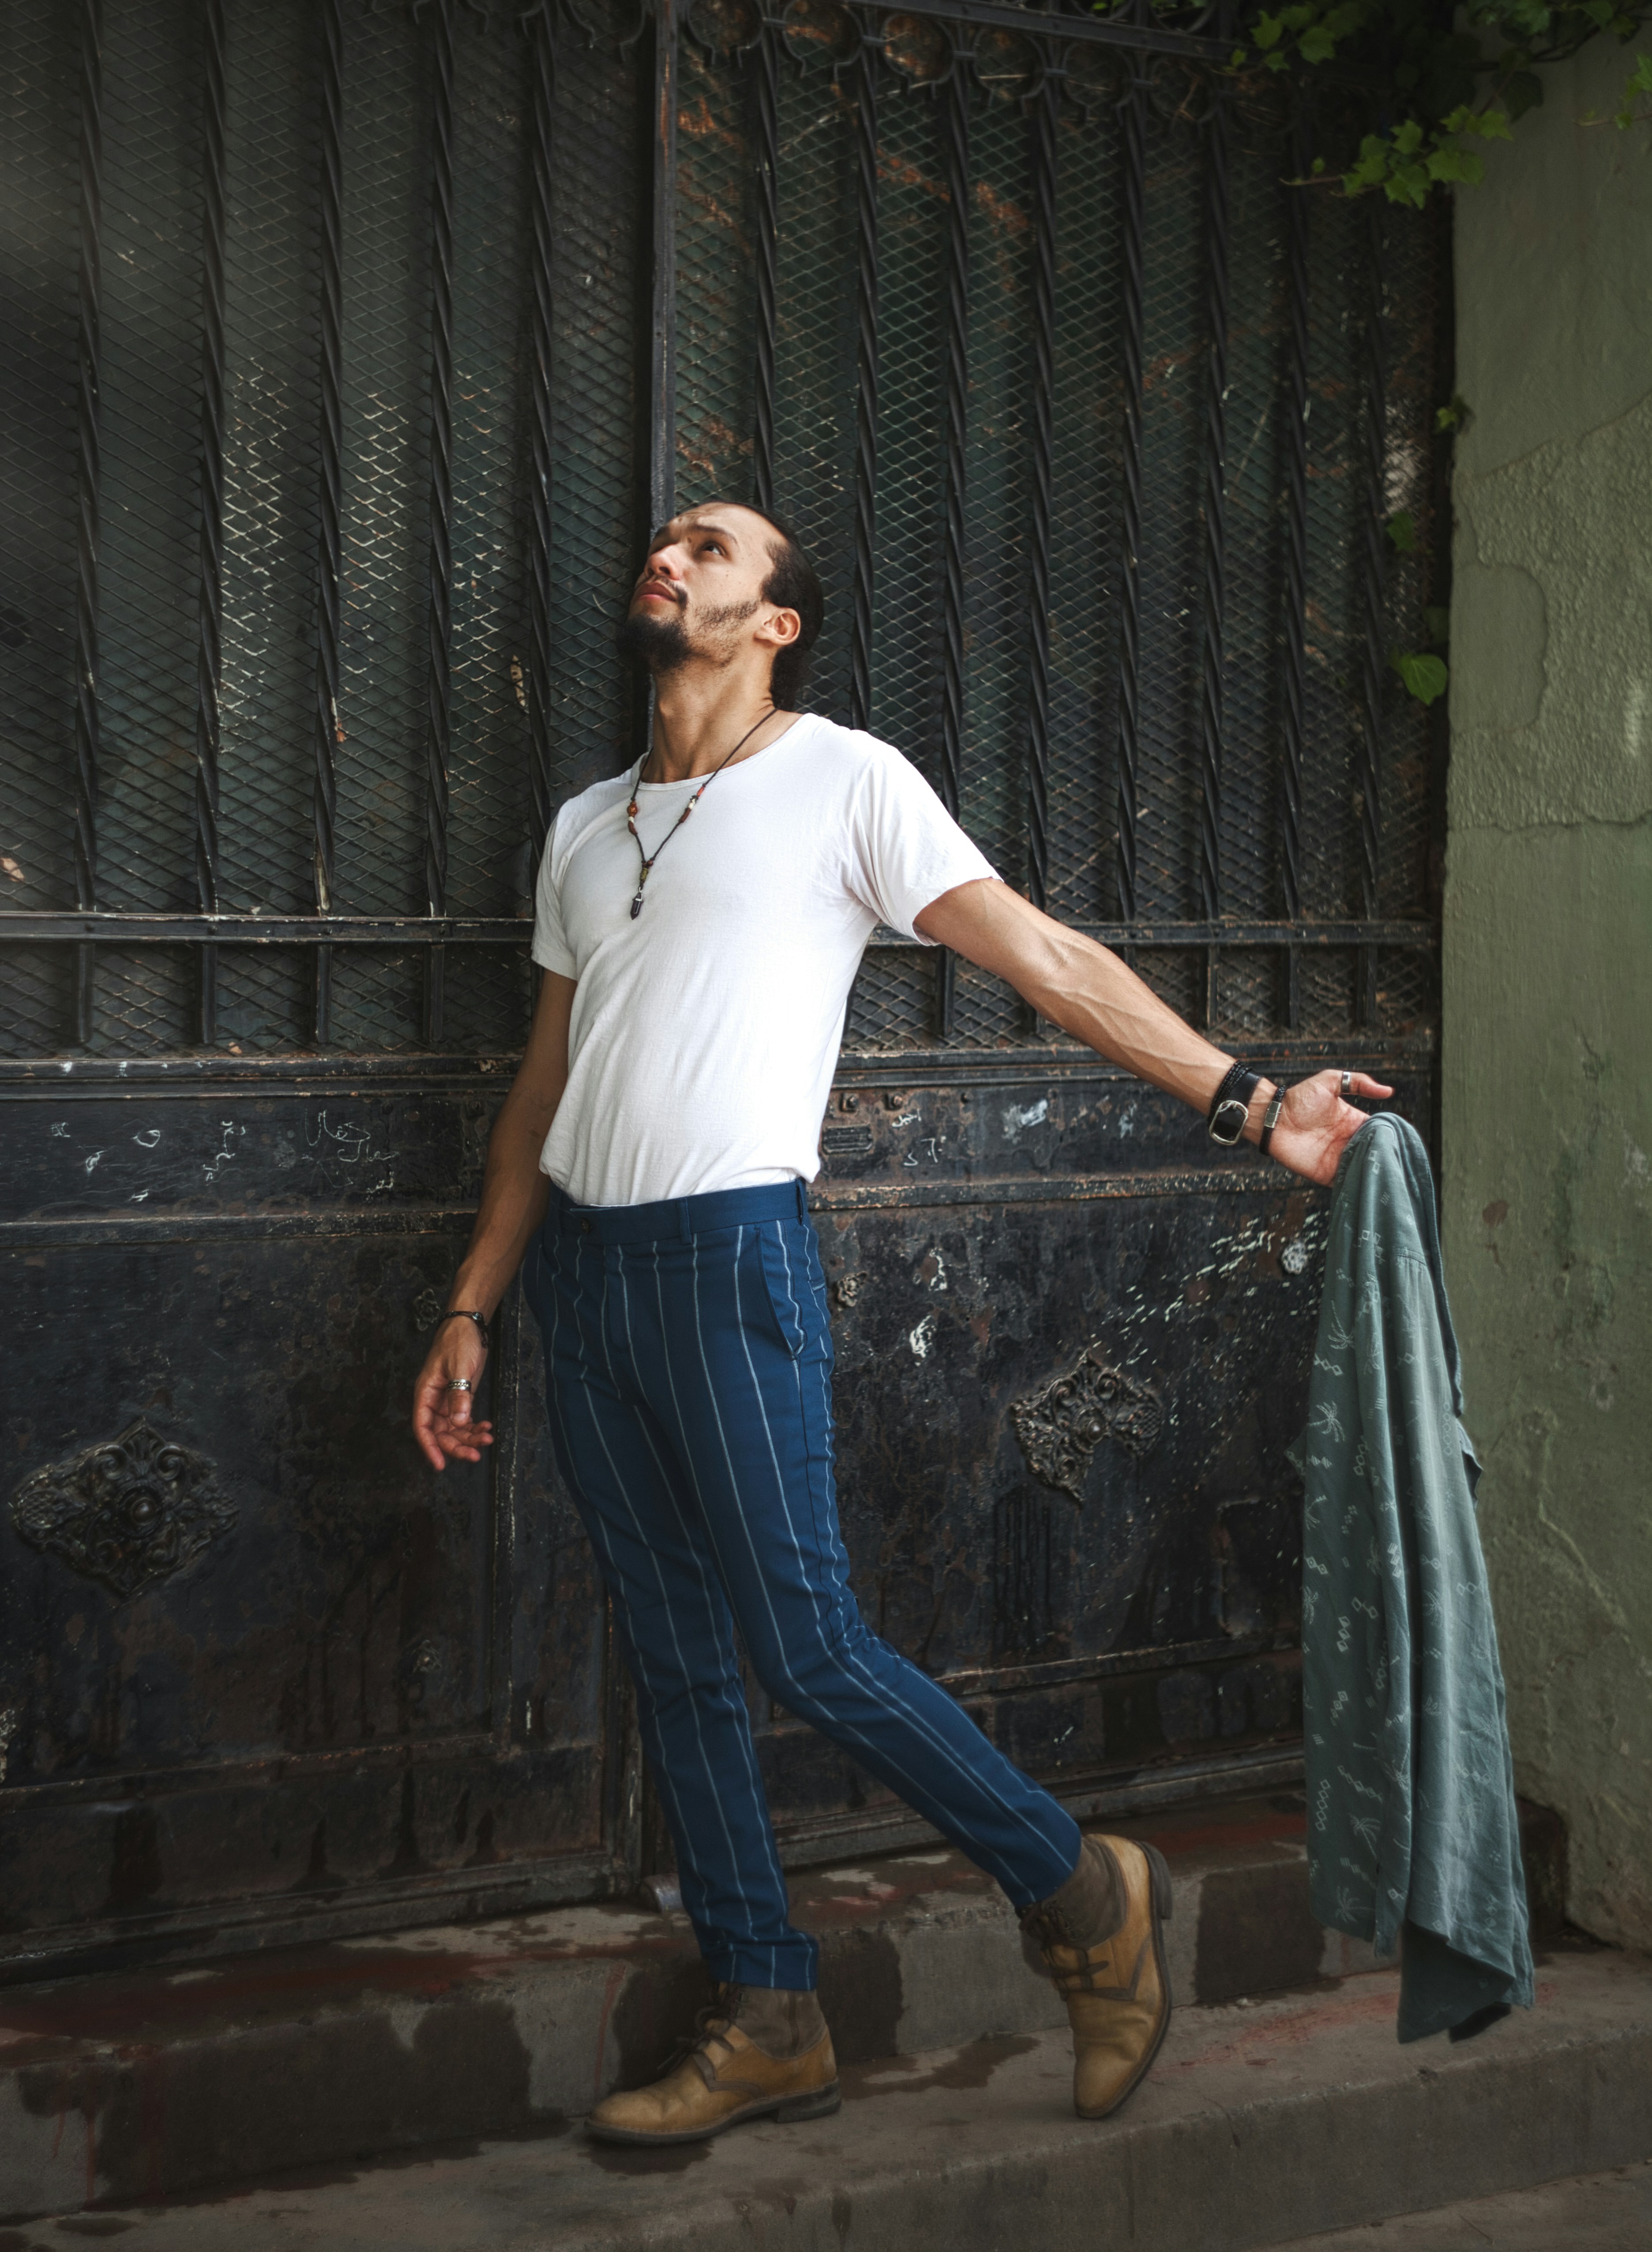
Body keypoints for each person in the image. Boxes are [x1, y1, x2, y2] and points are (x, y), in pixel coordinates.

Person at [411, 503, 1390, 2147]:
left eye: (714, 549)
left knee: (802, 1643)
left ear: (777, 620)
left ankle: (1079, 1891)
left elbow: (1043, 957)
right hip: (582, 1278)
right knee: (675, 1660)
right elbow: (542, 1084)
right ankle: (769, 2009)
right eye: (664, 540)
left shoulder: (845, 779)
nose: (673, 555)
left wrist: (1243, 1103)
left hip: (729, 1258)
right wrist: (474, 1302)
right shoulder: (588, 824)